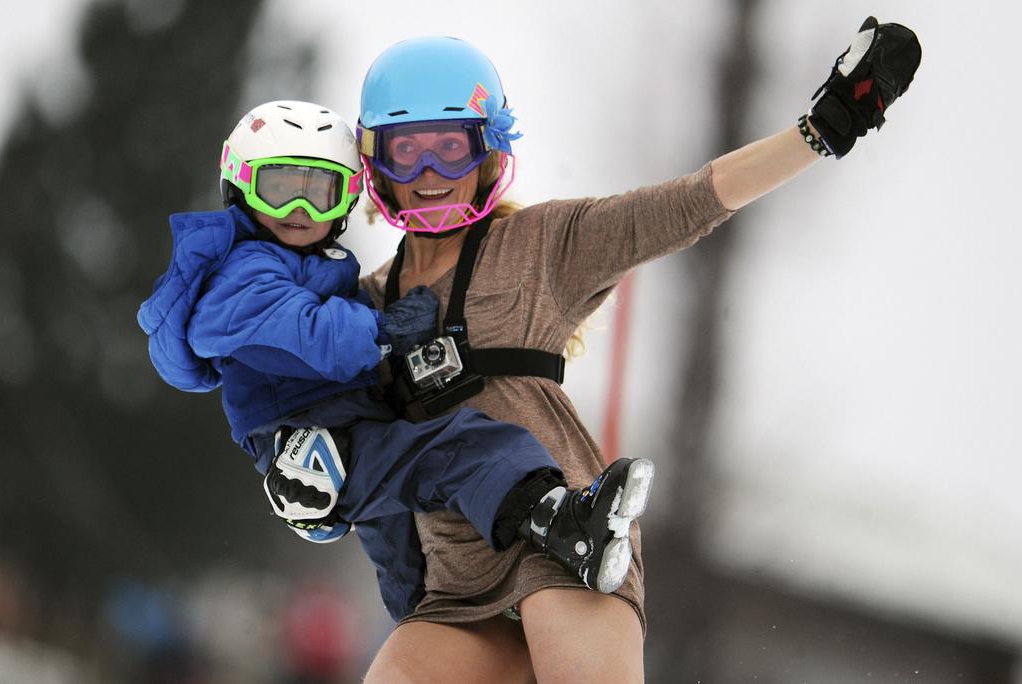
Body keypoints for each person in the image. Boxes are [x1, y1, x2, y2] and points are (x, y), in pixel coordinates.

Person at [353, 18, 920, 683]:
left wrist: (820, 130)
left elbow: (687, 202)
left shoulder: (540, 247)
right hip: (456, 580)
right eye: (405, 150)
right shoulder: (357, 308)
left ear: (488, 155)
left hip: (566, 540)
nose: (427, 174)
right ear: (374, 166)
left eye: (449, 149)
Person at [136, 99, 656, 621]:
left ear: (344, 199)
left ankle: (432, 620)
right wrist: (384, 330)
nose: (300, 211)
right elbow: (308, 333)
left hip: (340, 425)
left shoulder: (301, 262)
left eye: (319, 193)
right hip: (313, 430)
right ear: (240, 186)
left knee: (405, 554)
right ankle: (562, 521)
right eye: (278, 189)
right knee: (455, 445)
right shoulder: (240, 272)